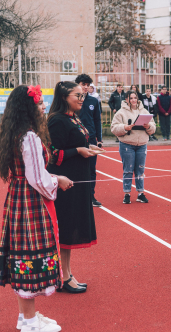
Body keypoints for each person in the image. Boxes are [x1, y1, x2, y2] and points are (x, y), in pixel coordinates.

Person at [0, 85, 71, 332]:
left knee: (21, 256)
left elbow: (30, 174)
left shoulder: (15, 134)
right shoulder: (29, 137)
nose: (43, 107)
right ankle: (29, 322)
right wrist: (56, 180)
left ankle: (26, 316)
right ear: (28, 107)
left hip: (18, 199)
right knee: (29, 256)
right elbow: (37, 179)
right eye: (39, 103)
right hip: (30, 203)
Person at [47, 81, 98, 294]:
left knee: (70, 227)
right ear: (64, 97)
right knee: (67, 228)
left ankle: (66, 273)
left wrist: (87, 147)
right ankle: (63, 276)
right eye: (77, 95)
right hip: (66, 183)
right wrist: (78, 150)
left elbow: (75, 143)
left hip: (78, 180)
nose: (81, 98)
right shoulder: (57, 120)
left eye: (82, 95)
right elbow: (53, 154)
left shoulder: (73, 117)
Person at [111, 91, 156, 204]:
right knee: (128, 170)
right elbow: (113, 128)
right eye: (131, 98)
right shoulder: (120, 113)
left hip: (142, 145)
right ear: (127, 99)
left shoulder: (144, 111)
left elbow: (153, 127)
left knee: (140, 170)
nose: (133, 100)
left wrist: (149, 126)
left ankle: (140, 193)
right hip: (127, 144)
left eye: (135, 98)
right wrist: (125, 127)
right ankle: (127, 194)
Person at [75, 74, 103, 207]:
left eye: (87, 85)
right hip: (76, 138)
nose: (85, 87)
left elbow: (97, 120)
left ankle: (91, 196)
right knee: (77, 168)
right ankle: (77, 195)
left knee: (91, 169)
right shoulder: (72, 100)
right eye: (83, 84)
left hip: (91, 138)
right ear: (77, 85)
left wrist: (99, 139)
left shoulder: (94, 101)